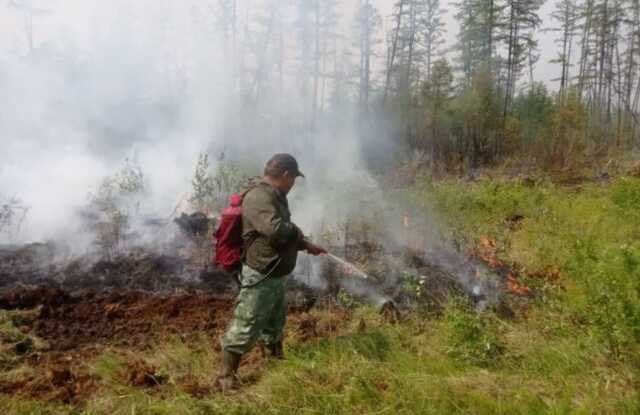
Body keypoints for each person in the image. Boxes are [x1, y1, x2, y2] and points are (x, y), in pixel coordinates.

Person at [216, 153, 327, 391]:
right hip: (261, 273)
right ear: (286, 175)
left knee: (275, 323)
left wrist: (305, 245)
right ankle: (225, 378)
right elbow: (275, 230)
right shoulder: (259, 196)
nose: (294, 183)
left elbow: (282, 235)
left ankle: (275, 363)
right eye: (294, 178)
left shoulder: (274, 196)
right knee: (248, 322)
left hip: (274, 273)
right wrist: (296, 232)